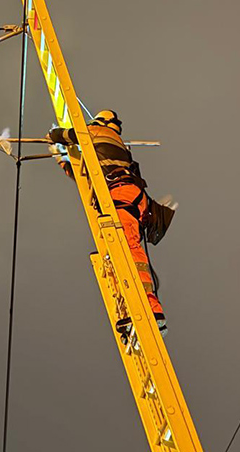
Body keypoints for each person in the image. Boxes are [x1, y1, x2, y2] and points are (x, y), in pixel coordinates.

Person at [48, 110, 176, 337]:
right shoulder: (112, 142)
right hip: (129, 198)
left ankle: (150, 309)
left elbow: (67, 134)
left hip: (121, 197)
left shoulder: (98, 131)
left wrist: (54, 136)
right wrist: (63, 160)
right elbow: (87, 176)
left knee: (129, 252)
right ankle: (131, 308)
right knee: (118, 255)